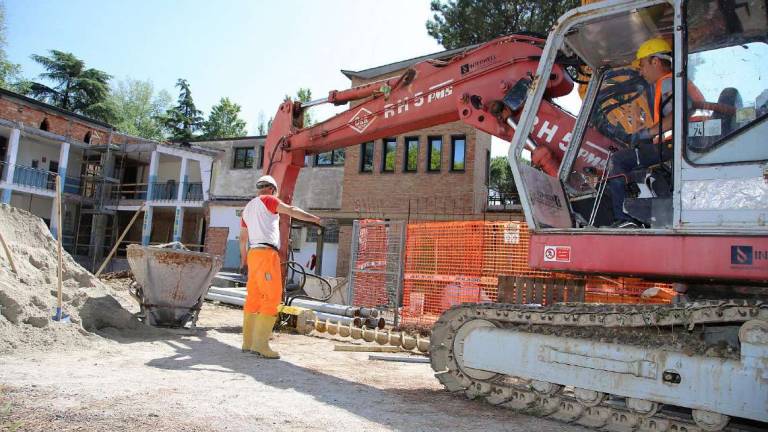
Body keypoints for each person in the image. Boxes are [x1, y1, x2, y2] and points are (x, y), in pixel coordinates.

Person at [606, 38, 704, 227]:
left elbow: (678, 115)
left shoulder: (667, 82)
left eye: (642, 65)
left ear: (655, 61)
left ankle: (624, 219)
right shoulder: (679, 81)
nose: (641, 72)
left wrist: (646, 133)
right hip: (685, 144)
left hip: (676, 145)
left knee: (619, 160)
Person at [238, 174, 322, 358]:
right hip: (267, 255)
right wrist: (315, 220)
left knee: (254, 297)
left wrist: (244, 261)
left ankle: (248, 343)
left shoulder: (248, 208)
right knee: (272, 296)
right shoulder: (268, 200)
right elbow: (291, 210)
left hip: (253, 255)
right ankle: (260, 346)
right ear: (272, 189)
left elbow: (243, 239)